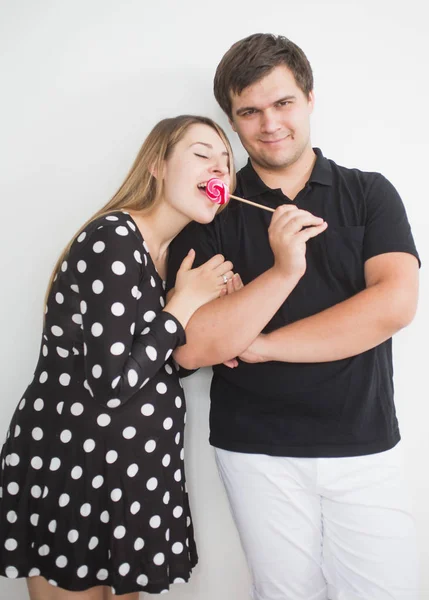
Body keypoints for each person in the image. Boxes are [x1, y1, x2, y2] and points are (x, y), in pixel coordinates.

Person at [166, 35, 421, 600]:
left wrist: (261, 343)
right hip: (256, 449)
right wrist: (283, 271)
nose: (269, 123)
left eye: (282, 103)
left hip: (364, 444)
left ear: (309, 99)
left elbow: (394, 305)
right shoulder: (212, 214)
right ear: (232, 121)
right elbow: (190, 346)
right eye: (249, 111)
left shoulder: (370, 194)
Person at [0, 115, 237, 599]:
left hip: (133, 474)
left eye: (227, 161)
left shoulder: (164, 254)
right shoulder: (114, 239)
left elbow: (149, 364)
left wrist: (207, 327)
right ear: (156, 165)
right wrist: (184, 304)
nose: (219, 167)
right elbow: (110, 384)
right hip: (78, 468)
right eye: (202, 154)